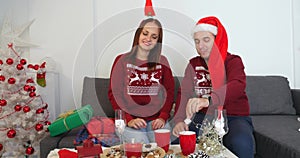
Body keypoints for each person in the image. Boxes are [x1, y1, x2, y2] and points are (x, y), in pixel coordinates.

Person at [172, 16, 255, 158]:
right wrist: (179, 120)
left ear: (217, 40)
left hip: (234, 117)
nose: (200, 46)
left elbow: (237, 85)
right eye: (197, 41)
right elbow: (184, 93)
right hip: (203, 117)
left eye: (206, 40)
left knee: (241, 144)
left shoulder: (233, 61)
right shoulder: (193, 64)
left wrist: (208, 100)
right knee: (177, 143)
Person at [108, 18, 175, 143]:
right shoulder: (121, 60)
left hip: (156, 120)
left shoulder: (163, 62)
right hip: (129, 120)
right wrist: (129, 119)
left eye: (154, 37)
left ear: (158, 41)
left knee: (162, 148)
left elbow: (170, 92)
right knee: (142, 148)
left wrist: (162, 117)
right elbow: (114, 94)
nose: (148, 39)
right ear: (138, 34)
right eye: (145, 33)